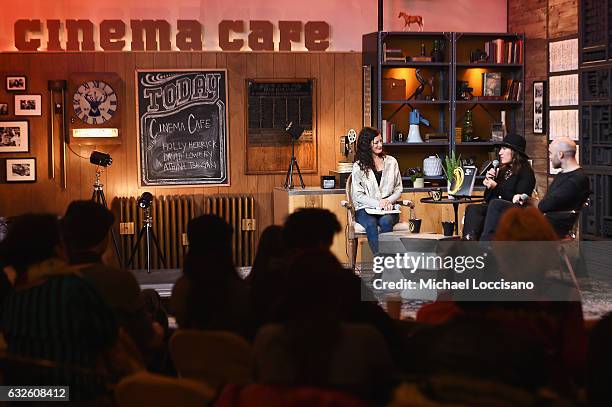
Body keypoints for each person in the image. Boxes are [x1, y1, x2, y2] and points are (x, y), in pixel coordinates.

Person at [60, 200, 164, 365]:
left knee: (149, 296)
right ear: (103, 239)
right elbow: (148, 339)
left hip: (64, 369)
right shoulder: (119, 280)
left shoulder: (49, 281)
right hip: (111, 375)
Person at [479, 137, 589, 240]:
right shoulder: (563, 175)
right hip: (543, 220)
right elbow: (546, 203)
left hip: (552, 227)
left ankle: (487, 250)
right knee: (490, 209)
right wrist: (525, 198)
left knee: (497, 206)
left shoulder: (577, 179)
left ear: (560, 155)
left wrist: (527, 200)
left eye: (550, 153)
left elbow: (545, 205)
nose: (549, 157)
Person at [462, 133, 535, 240]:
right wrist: (489, 183)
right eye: (500, 149)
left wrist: (496, 186)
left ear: (514, 152)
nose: (500, 152)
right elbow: (487, 198)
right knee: (473, 208)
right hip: (494, 207)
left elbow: (518, 200)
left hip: (513, 211)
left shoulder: (526, 172)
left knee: (495, 204)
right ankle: (468, 241)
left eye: (504, 149)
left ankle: (485, 245)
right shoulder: (502, 170)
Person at [351, 127, 407, 254]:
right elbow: (358, 195)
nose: (380, 145)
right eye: (376, 142)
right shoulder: (358, 166)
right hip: (365, 209)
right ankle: (381, 263)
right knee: (371, 224)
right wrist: (378, 203)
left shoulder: (392, 162)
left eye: (381, 141)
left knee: (386, 222)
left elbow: (398, 189)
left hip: (388, 208)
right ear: (367, 144)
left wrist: (387, 201)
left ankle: (387, 263)